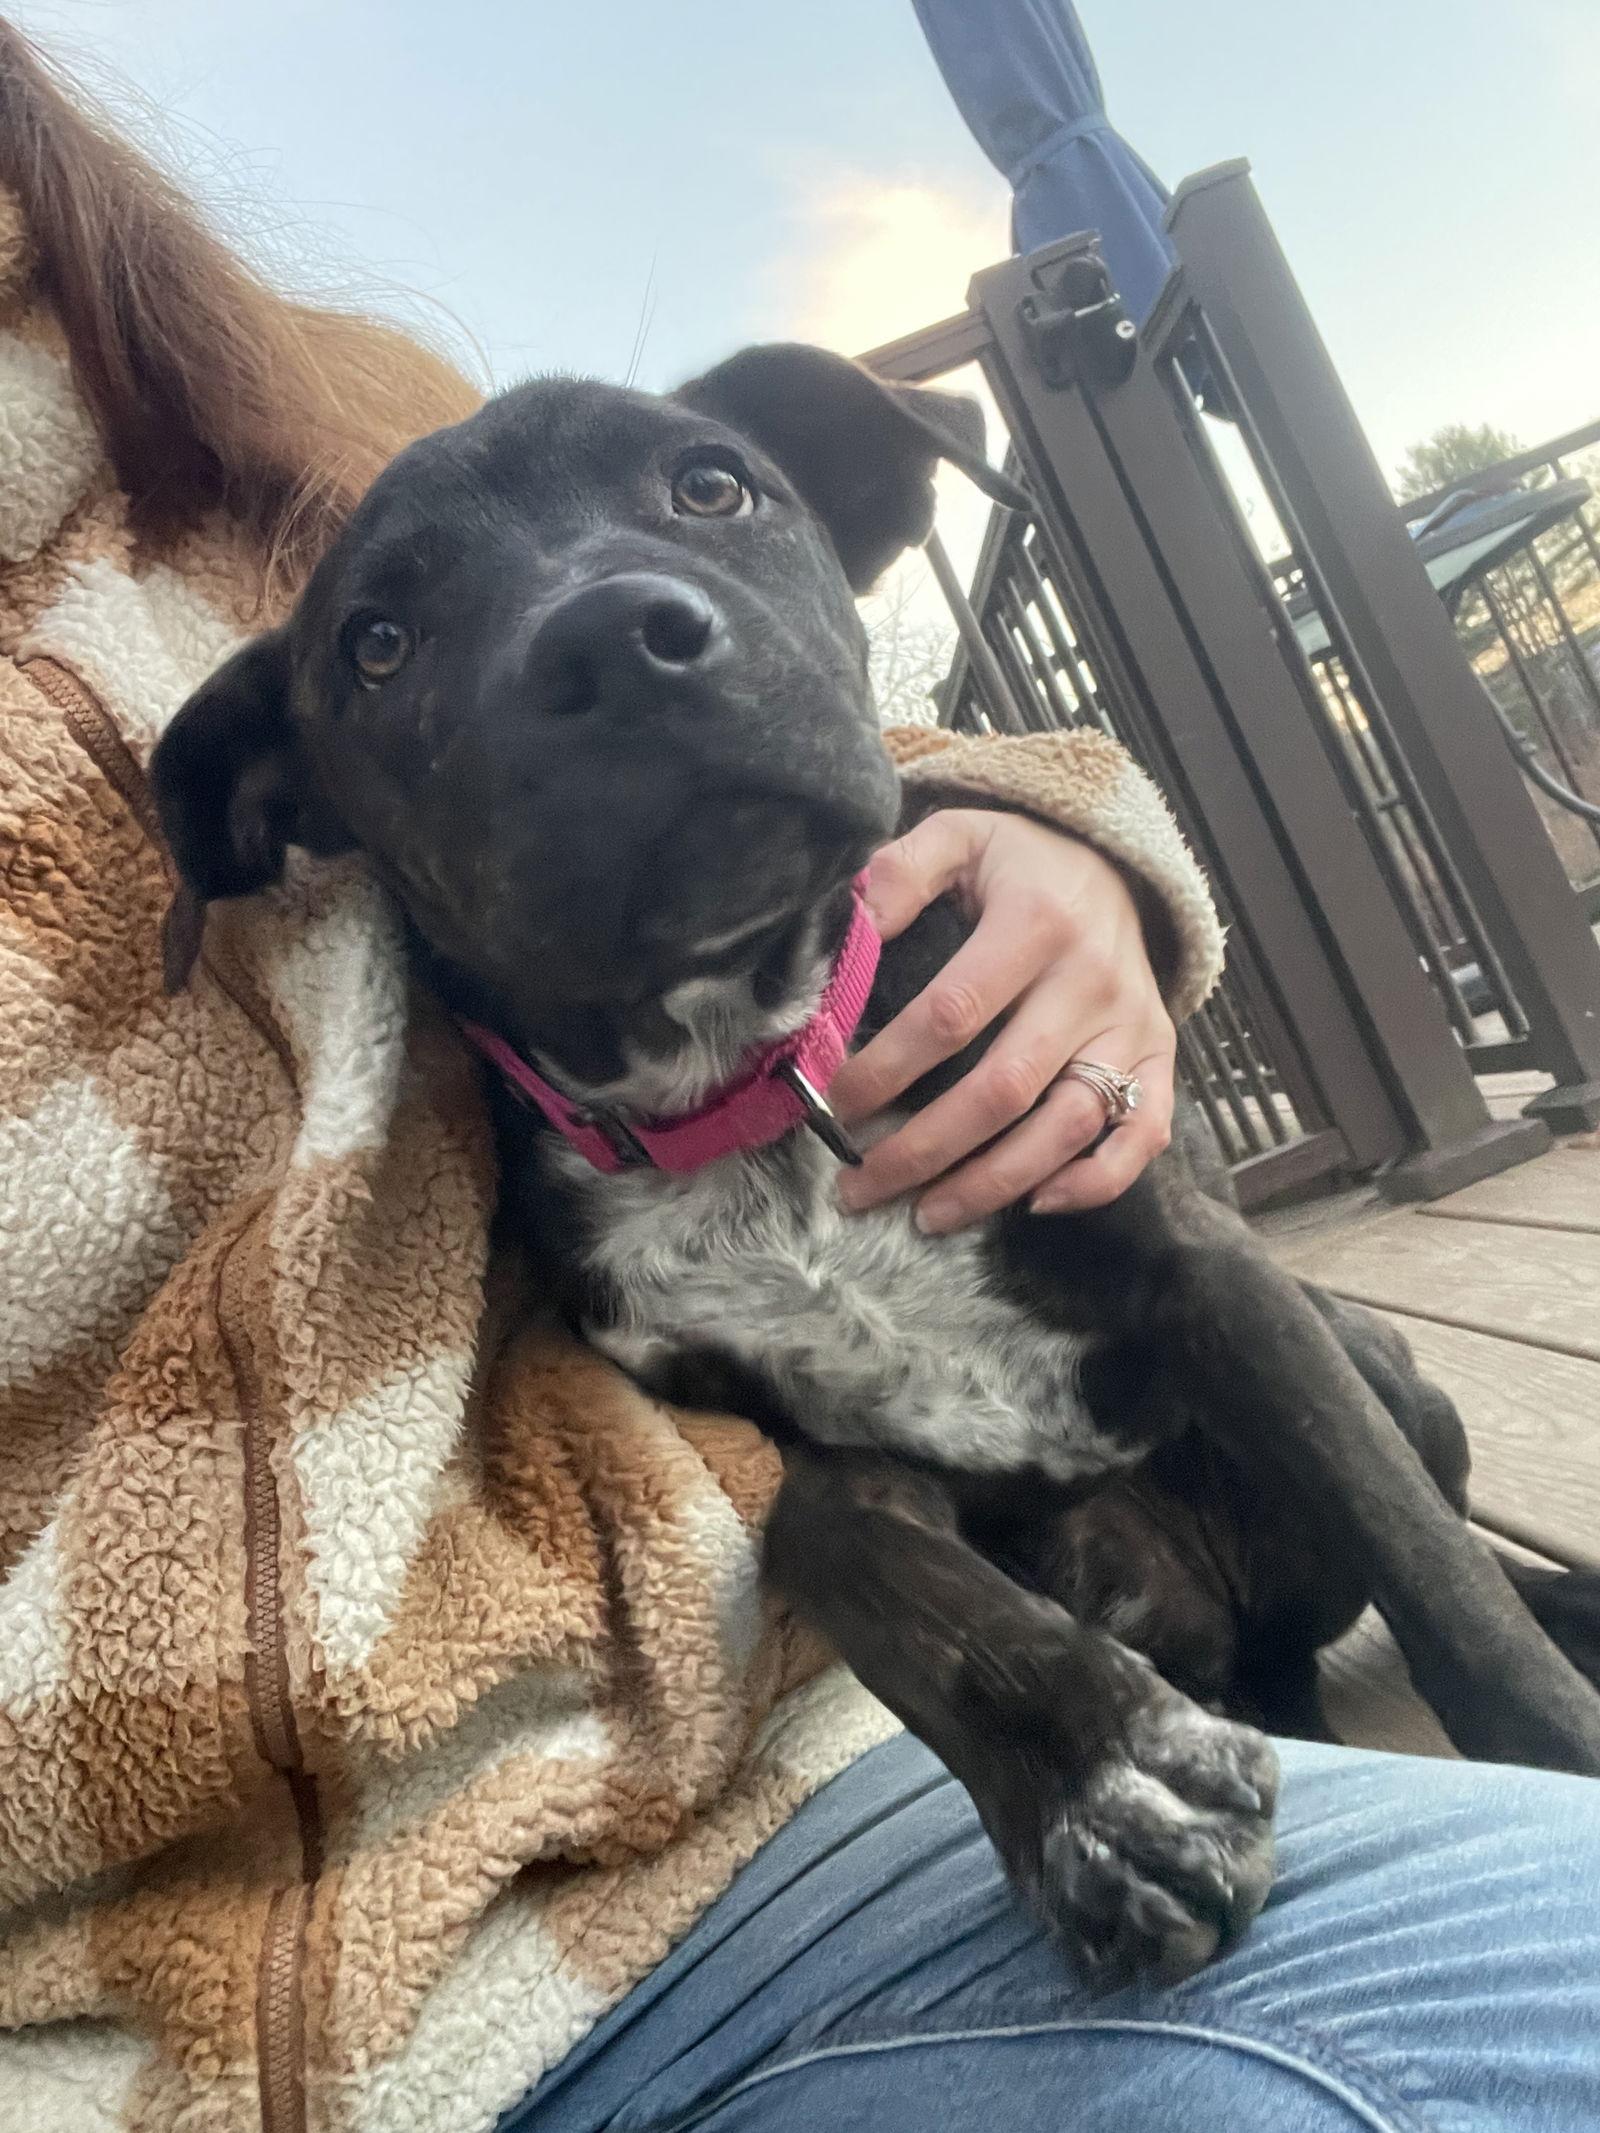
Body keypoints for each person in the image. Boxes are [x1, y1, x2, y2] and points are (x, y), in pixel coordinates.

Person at [0, 24, 1595, 2133]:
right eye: (391, 641)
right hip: (573, 1804)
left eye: (705, 494)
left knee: (1366, 1390)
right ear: (279, 812)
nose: (603, 614)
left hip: (1144, 1499)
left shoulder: (239, 409)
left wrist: (1055, 837)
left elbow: (821, 727)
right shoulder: (550, 1186)